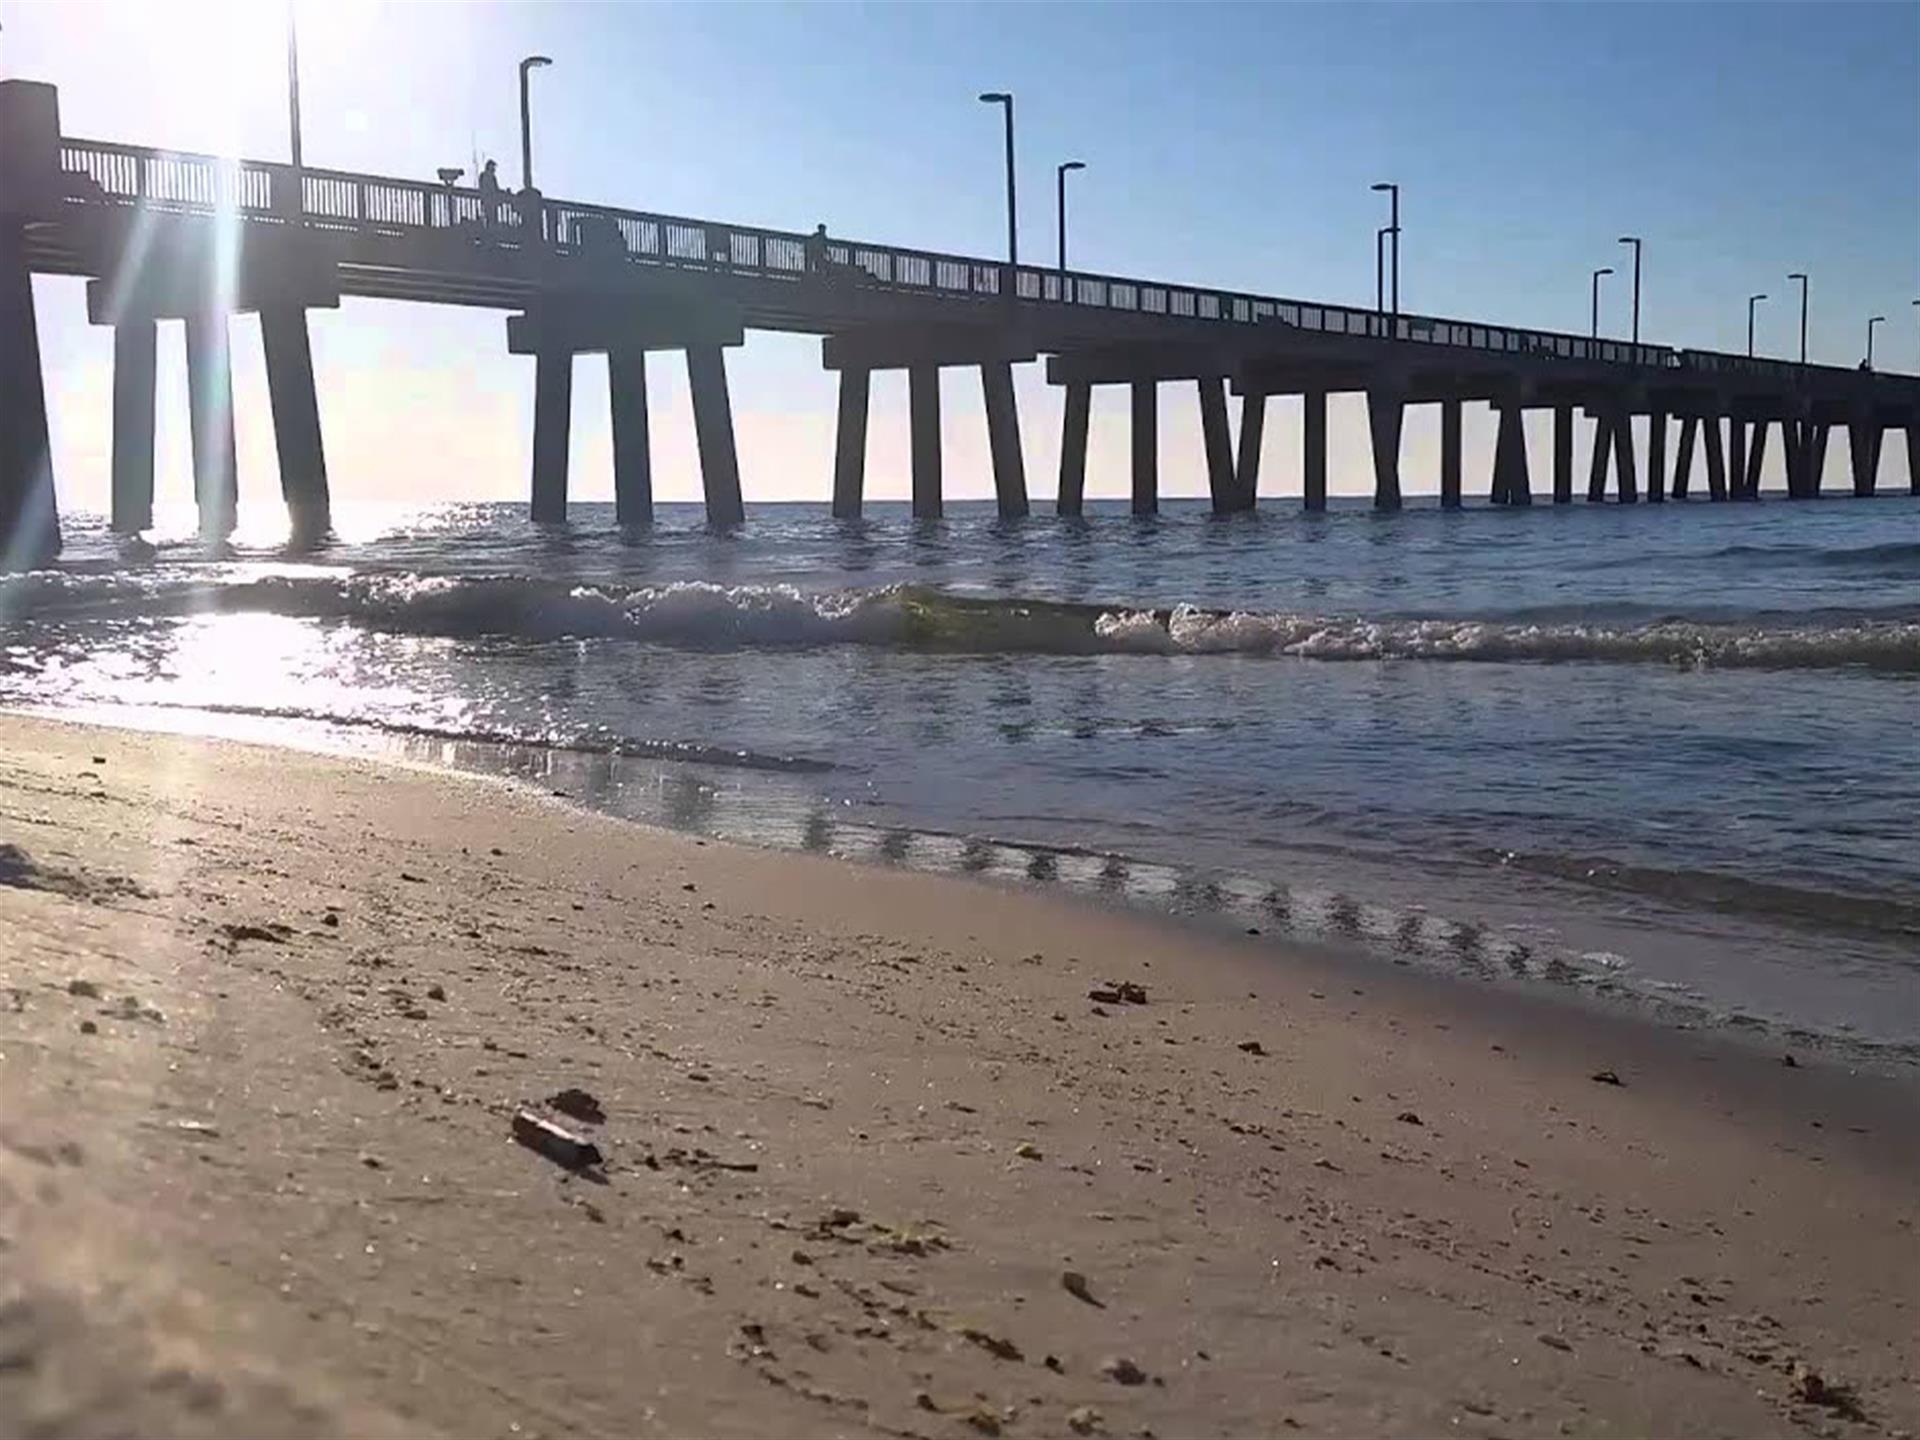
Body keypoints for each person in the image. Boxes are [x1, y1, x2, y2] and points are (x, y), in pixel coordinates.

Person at [477, 159, 501, 228]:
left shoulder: (493, 177)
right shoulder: (483, 175)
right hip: (487, 200)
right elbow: (482, 188)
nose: (494, 168)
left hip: (493, 201)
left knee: (493, 217)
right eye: (492, 166)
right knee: (487, 216)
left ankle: (492, 229)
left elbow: (496, 189)